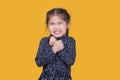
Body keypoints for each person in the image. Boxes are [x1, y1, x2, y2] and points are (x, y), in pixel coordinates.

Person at [35, 8, 76, 80]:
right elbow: (39, 62)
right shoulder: (44, 41)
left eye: (60, 23)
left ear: (67, 25)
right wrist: (53, 49)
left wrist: (60, 49)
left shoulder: (70, 41)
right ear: (47, 26)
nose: (56, 27)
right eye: (52, 24)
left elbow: (70, 61)